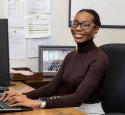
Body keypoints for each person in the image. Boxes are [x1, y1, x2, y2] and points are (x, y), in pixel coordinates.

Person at [1, 9, 108, 109]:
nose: (78, 28)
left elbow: (78, 98)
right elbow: (52, 87)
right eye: (75, 23)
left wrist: (39, 103)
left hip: (89, 110)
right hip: (71, 107)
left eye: (85, 25)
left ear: (96, 29)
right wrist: (22, 96)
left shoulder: (99, 59)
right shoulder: (71, 56)